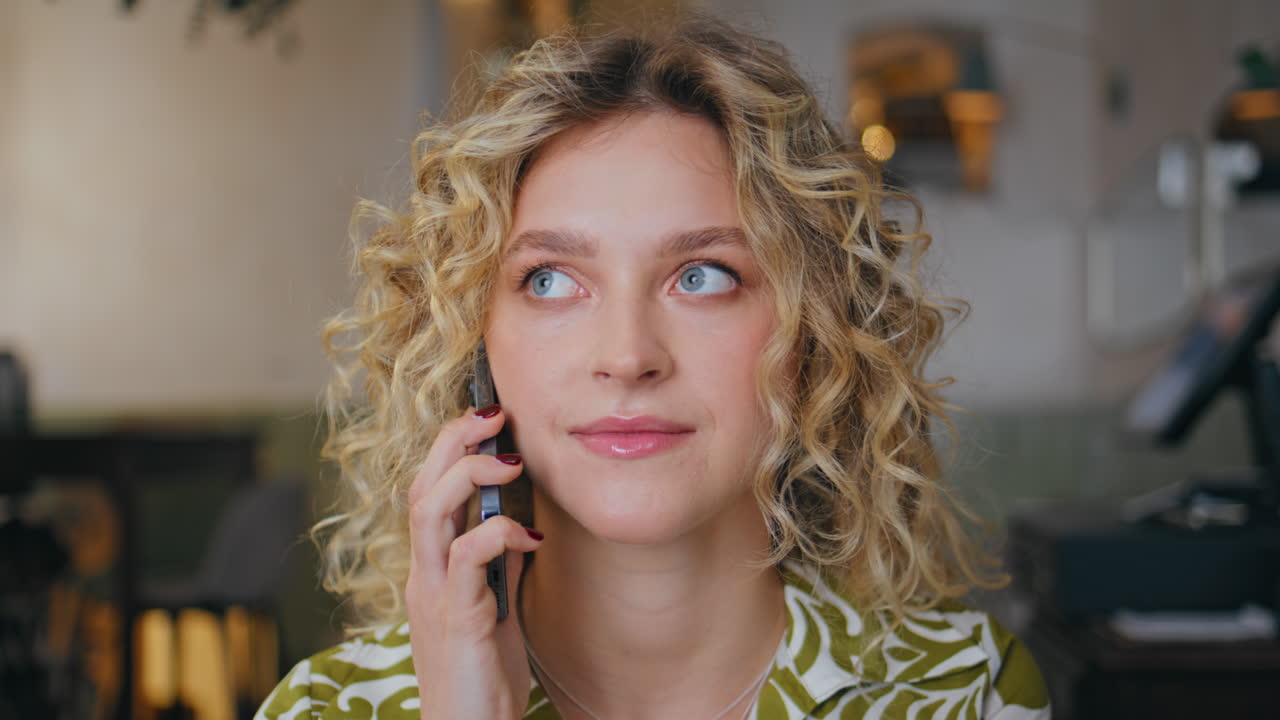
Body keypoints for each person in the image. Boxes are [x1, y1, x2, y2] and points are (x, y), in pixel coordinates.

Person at [256, 11, 1051, 720]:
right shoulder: (327, 710)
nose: (628, 356)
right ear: (473, 342)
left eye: (702, 276)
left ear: (814, 332)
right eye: (551, 281)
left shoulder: (965, 693)